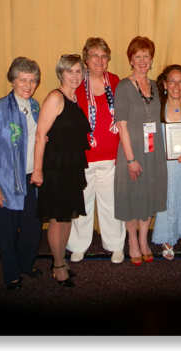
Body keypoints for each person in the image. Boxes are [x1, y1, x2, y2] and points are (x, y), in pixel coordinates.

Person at [0, 57, 43, 290]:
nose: (28, 84)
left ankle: (26, 264)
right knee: (6, 230)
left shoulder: (35, 106)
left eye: (32, 80)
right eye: (23, 79)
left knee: (32, 227)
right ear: (13, 81)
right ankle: (11, 273)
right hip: (4, 180)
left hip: (31, 178)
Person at [31, 54, 92, 287]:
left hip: (72, 166)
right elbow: (39, 136)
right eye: (70, 71)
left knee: (67, 216)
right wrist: (38, 171)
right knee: (58, 218)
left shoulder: (73, 98)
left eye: (79, 71)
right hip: (55, 166)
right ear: (61, 74)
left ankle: (62, 260)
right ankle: (57, 264)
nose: (75, 76)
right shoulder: (55, 98)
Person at [66, 38, 126, 265]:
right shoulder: (77, 82)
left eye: (103, 56)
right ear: (86, 59)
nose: (99, 60)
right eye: (94, 56)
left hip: (112, 156)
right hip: (83, 156)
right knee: (83, 203)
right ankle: (78, 245)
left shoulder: (116, 81)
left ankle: (116, 246)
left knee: (111, 204)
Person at [114, 36, 167, 266]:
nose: (142, 60)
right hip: (132, 150)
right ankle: (132, 243)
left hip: (153, 150)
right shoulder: (124, 86)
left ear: (152, 59)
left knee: (148, 194)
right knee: (132, 196)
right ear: (131, 60)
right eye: (138, 57)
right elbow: (121, 125)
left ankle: (144, 241)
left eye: (146, 56)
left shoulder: (156, 85)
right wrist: (130, 158)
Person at [152, 65, 181, 260]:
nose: (176, 85)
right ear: (164, 84)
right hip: (164, 165)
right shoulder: (157, 107)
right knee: (167, 200)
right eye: (172, 81)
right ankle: (168, 238)